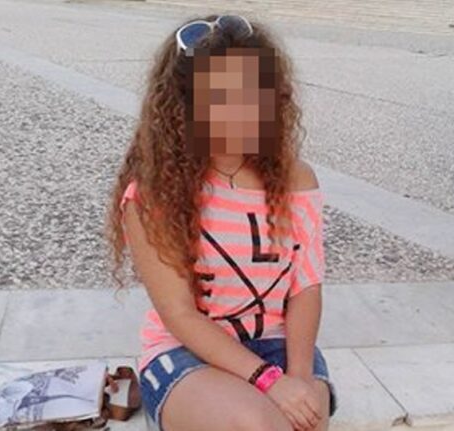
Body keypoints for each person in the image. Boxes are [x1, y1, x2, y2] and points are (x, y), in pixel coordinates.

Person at [105, 14, 337, 431]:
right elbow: (179, 314)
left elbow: (305, 287)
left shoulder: (297, 180)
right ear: (184, 106)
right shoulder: (154, 194)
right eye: (220, 97)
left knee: (305, 422)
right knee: (257, 424)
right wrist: (269, 383)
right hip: (186, 354)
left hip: (280, 347)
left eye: (253, 92)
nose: (243, 110)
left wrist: (300, 377)